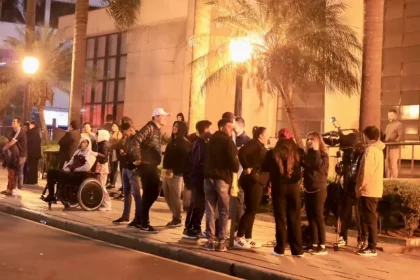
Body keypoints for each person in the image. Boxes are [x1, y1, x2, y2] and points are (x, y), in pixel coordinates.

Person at [262, 128, 304, 257]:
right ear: (290, 138)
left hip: (279, 188)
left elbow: (264, 167)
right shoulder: (298, 152)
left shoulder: (272, 153)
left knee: (280, 219)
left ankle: (279, 249)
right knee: (295, 218)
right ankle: (297, 250)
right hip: (294, 188)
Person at [203, 118, 239, 252]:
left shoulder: (210, 140)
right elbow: (234, 163)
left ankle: (210, 240)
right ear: (222, 127)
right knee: (224, 210)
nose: (231, 130)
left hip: (208, 177)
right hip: (222, 178)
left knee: (210, 209)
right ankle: (221, 241)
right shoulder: (228, 141)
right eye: (229, 127)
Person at [135, 108, 170, 232]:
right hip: (147, 165)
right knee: (153, 191)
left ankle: (142, 220)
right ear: (156, 117)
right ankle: (144, 222)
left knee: (150, 193)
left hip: (151, 165)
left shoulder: (156, 129)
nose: (165, 118)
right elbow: (136, 140)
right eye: (163, 116)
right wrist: (138, 157)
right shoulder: (149, 127)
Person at [234, 126, 269, 249]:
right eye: (266, 134)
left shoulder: (261, 146)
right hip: (252, 180)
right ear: (260, 135)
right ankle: (239, 236)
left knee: (253, 210)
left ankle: (248, 236)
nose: (268, 137)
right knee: (250, 209)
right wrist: (247, 167)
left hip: (259, 181)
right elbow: (242, 153)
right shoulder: (253, 143)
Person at [356, 126, 385, 257]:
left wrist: (360, 187)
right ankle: (370, 245)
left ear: (367, 136)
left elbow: (365, 172)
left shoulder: (370, 150)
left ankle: (371, 246)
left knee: (369, 218)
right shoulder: (379, 151)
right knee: (371, 217)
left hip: (368, 190)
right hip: (375, 189)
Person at [183, 120, 212, 239]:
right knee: (196, 204)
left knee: (200, 204)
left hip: (199, 178)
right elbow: (198, 163)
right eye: (210, 129)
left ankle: (195, 226)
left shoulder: (202, 144)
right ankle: (190, 227)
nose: (211, 131)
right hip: (198, 179)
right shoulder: (199, 144)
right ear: (205, 130)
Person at [44, 137, 97, 202]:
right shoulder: (77, 152)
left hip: (79, 174)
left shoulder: (91, 154)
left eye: (85, 142)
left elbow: (86, 167)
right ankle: (51, 195)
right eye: (82, 142)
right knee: (51, 172)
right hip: (70, 172)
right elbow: (71, 161)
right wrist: (66, 167)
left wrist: (74, 169)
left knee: (62, 174)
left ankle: (59, 195)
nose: (83, 144)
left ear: (88, 144)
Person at [302, 131, 329, 256]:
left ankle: (322, 245)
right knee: (311, 217)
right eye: (308, 139)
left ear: (318, 141)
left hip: (319, 189)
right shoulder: (307, 155)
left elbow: (320, 167)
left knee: (318, 216)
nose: (309, 142)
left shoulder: (323, 155)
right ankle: (313, 243)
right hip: (308, 188)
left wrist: (317, 151)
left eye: (312, 139)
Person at [113, 119, 142, 225]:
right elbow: (128, 150)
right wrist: (123, 152)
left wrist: (135, 161)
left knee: (136, 193)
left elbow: (138, 154)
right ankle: (125, 216)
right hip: (125, 166)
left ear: (130, 129)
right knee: (126, 192)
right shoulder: (128, 139)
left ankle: (138, 217)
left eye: (126, 133)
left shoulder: (138, 138)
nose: (125, 135)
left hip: (133, 168)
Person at [162, 121, 191, 227]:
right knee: (167, 194)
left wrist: (173, 169)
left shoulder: (184, 143)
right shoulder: (172, 141)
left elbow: (183, 160)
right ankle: (174, 214)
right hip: (166, 172)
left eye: (177, 127)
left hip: (176, 173)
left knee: (175, 195)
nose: (174, 128)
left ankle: (177, 218)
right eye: (174, 126)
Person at [2, 117, 27, 192]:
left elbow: (12, 141)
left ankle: (18, 189)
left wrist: (4, 148)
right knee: (14, 171)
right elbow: (8, 139)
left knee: (19, 171)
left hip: (21, 154)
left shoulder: (20, 131)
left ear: (19, 123)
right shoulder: (14, 131)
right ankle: (12, 188)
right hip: (15, 154)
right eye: (12, 121)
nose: (12, 122)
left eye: (14, 121)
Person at [95, 129, 112, 211]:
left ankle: (107, 204)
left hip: (103, 167)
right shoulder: (101, 143)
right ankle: (102, 203)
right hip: (100, 166)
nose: (96, 136)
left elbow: (104, 156)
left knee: (102, 185)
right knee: (100, 185)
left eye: (98, 135)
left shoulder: (104, 144)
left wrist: (96, 154)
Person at [384, 109, 403, 178]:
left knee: (393, 165)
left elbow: (400, 137)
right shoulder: (388, 126)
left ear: (395, 116)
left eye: (391, 115)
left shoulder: (399, 124)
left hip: (394, 148)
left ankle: (394, 181)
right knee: (387, 166)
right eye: (388, 116)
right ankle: (388, 180)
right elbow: (385, 136)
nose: (389, 117)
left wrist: (393, 141)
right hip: (387, 148)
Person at [108, 122, 123, 189]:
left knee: (115, 167)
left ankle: (113, 183)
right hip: (111, 151)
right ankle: (110, 182)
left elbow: (117, 142)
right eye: (112, 126)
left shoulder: (119, 133)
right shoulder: (111, 133)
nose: (113, 127)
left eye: (115, 126)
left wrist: (112, 141)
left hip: (116, 152)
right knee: (111, 167)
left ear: (118, 127)